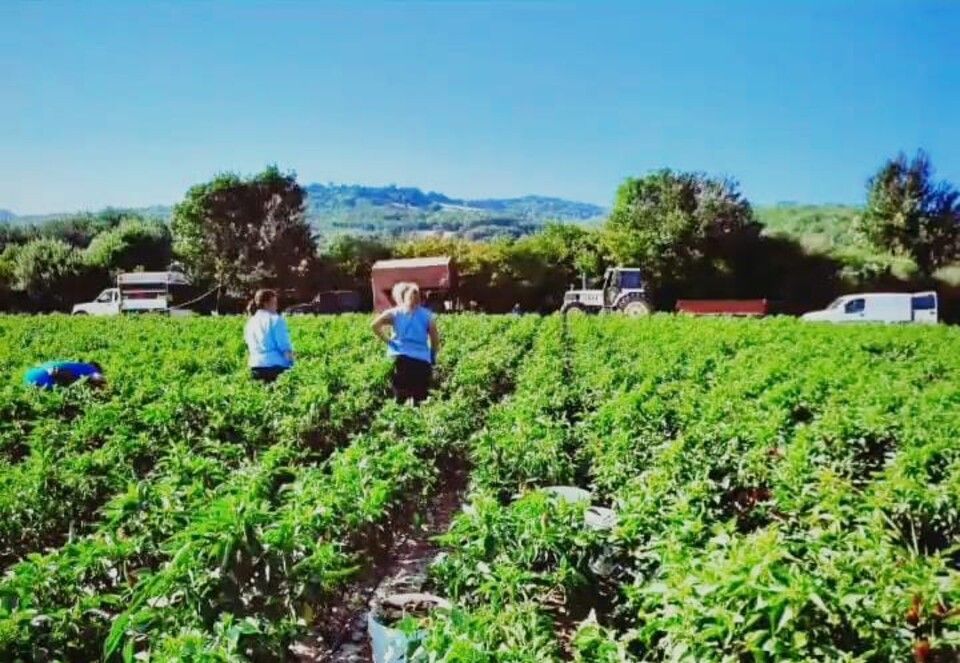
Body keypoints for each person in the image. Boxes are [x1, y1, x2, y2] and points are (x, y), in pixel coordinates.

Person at [371, 281, 441, 404]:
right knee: (420, 399)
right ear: (420, 298)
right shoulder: (428, 315)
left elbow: (374, 325)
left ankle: (400, 420)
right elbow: (435, 341)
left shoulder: (395, 312)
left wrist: (388, 341)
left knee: (400, 399)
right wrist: (432, 357)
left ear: (402, 297)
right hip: (421, 361)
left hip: (400, 360)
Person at [244, 289, 295, 383]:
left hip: (255, 366)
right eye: (274, 303)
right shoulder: (275, 320)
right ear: (266, 304)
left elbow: (248, 345)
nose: (276, 307)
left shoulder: (250, 322)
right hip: (275, 368)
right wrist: (293, 365)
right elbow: (284, 347)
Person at [24, 360, 105, 390]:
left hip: (29, 375)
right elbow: (95, 377)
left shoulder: (76, 365)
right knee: (80, 380)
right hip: (41, 379)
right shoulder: (91, 370)